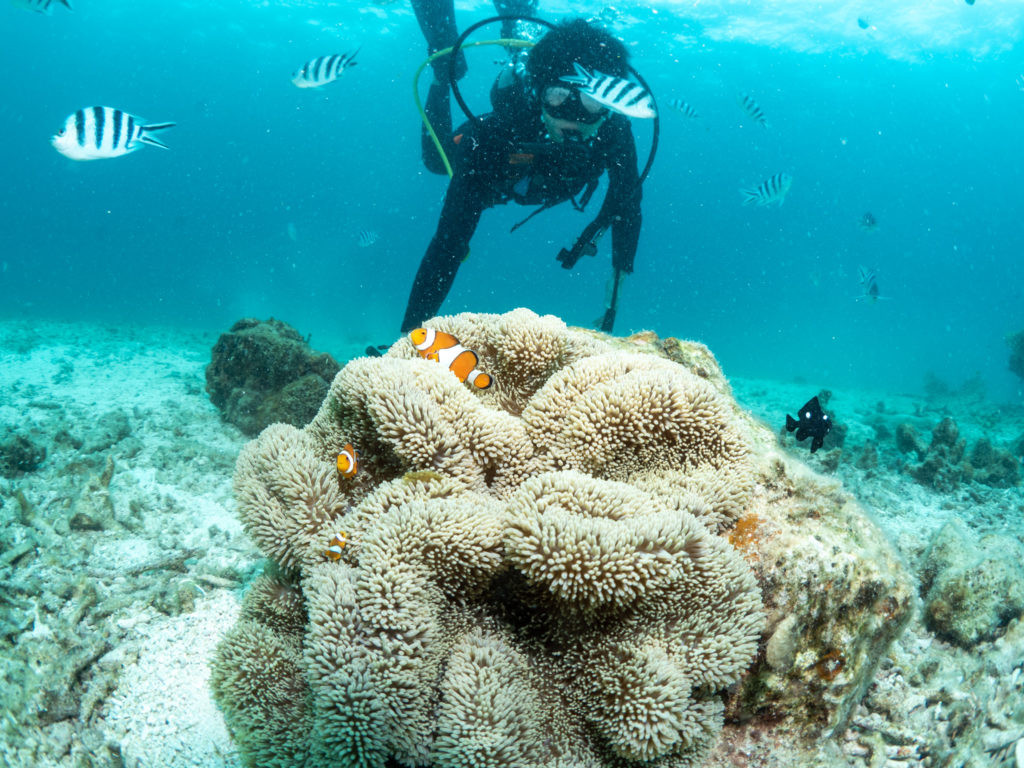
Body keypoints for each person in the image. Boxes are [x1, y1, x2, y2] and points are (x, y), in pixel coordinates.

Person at [401, 4, 643, 334]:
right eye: (558, 97)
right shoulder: (498, 132)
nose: (572, 116)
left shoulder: (614, 131)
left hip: (533, 177)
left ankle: (511, 29)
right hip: (502, 166)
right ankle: (445, 72)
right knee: (434, 161)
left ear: (609, 106)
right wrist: (411, 334)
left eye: (590, 103)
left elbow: (626, 209)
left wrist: (610, 310)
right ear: (538, 92)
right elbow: (449, 242)